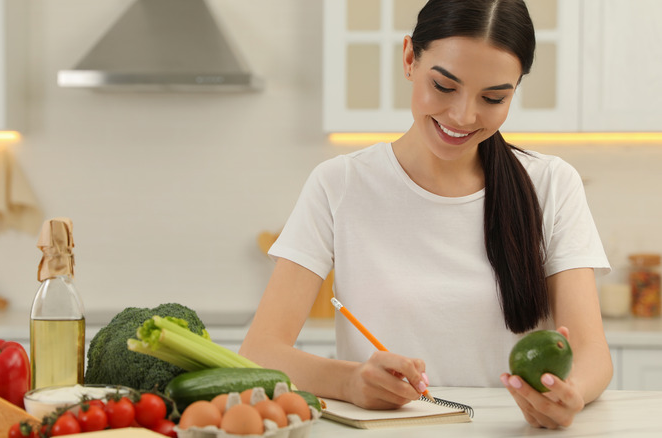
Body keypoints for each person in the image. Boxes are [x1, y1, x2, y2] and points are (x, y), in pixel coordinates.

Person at [239, 0, 613, 429]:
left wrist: (571, 394)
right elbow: (260, 351)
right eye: (444, 86)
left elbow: (591, 353)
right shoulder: (338, 184)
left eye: (493, 97)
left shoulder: (551, 184)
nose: (463, 116)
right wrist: (351, 381)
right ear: (410, 59)